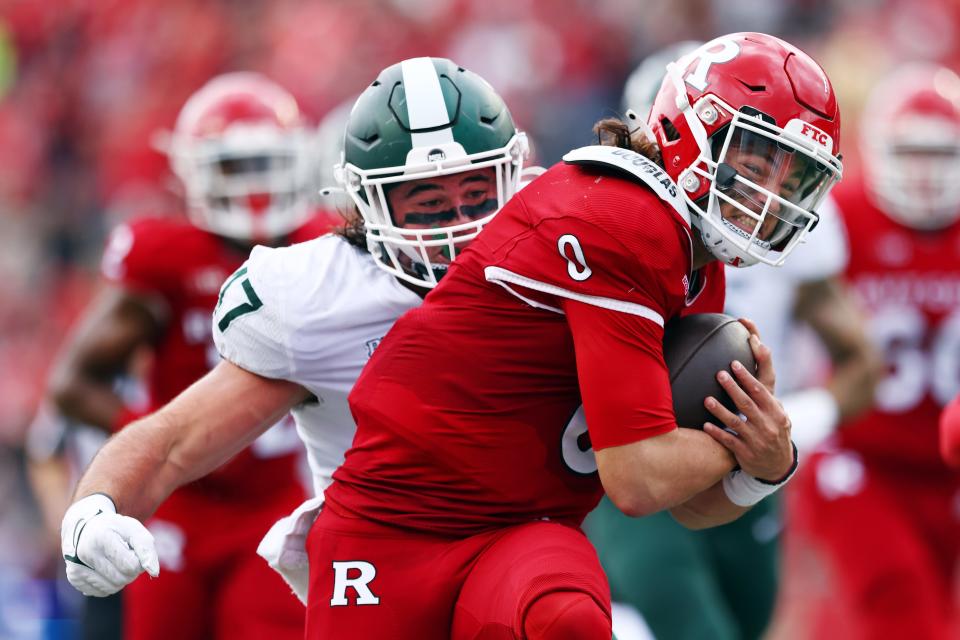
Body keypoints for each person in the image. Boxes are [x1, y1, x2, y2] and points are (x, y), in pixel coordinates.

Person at [304, 32, 837, 638]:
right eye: (757, 162)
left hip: (526, 529)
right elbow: (638, 476)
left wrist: (763, 467)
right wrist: (754, 445)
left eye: (793, 178)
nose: (771, 197)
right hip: (400, 524)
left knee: (569, 621)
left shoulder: (694, 263)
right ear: (696, 131)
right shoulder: (628, 221)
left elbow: (689, 504)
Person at [57, 55, 531, 614]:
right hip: (371, 553)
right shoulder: (318, 291)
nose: (457, 225)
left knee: (558, 612)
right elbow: (173, 439)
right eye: (426, 205)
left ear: (515, 174)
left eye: (477, 194)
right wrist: (94, 506)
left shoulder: (559, 246)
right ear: (369, 203)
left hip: (521, 538)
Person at [586, 42, 879, 640]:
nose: (759, 185)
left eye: (775, 165)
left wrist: (781, 431)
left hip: (747, 457)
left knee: (750, 622)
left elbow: (862, 363)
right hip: (638, 446)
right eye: (742, 156)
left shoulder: (790, 222)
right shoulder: (614, 221)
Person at [49, 72, 336, 640]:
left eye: (266, 163)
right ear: (194, 170)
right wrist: (164, 443)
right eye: (236, 166)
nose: (254, 182)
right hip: (178, 506)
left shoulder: (324, 247)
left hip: (273, 505)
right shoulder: (165, 257)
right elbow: (71, 386)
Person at [781, 63, 960, 640]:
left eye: (942, 156)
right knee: (901, 610)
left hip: (950, 466)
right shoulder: (840, 218)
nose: (925, 174)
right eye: (909, 152)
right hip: (864, 457)